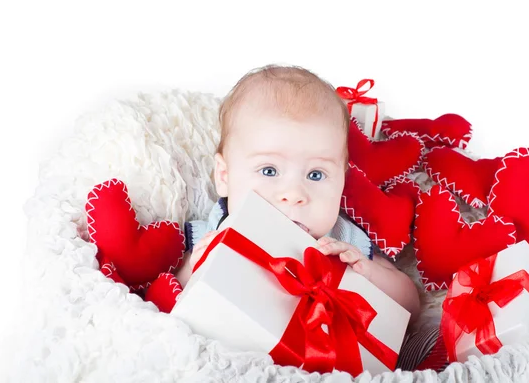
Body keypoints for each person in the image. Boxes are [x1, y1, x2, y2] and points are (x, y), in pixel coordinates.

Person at [175, 64, 421, 323]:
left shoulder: (341, 243)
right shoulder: (213, 235)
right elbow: (165, 298)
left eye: (316, 174)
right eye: (269, 171)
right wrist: (195, 267)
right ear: (225, 177)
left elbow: (410, 306)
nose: (294, 194)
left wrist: (367, 273)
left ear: (341, 183)